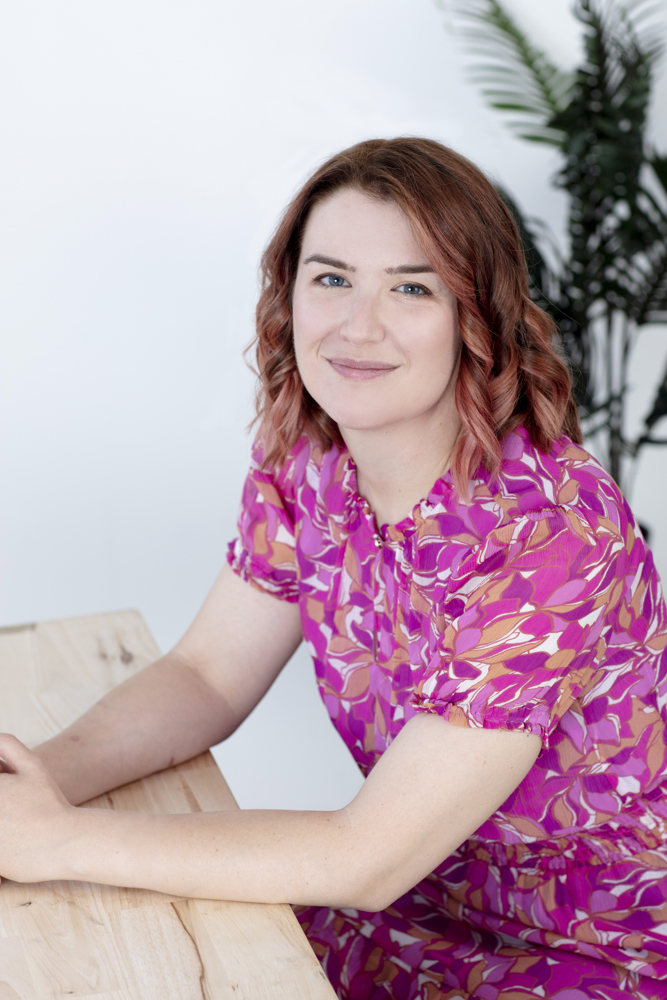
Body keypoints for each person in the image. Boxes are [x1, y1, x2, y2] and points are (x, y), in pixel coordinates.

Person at [1, 137, 666, 1000]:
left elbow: (365, 855)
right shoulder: (308, 459)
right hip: (419, 913)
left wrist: (58, 842)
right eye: (332, 277)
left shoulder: (552, 534)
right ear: (288, 294)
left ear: (478, 317)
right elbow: (207, 676)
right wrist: (38, 782)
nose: (359, 325)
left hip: (601, 954)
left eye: (411, 287)